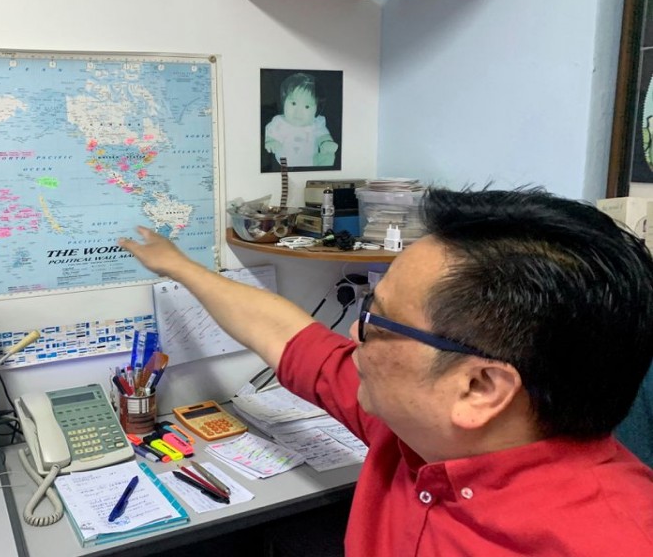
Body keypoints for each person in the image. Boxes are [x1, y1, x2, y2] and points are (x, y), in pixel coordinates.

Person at [118, 187, 653, 556]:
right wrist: (178, 266)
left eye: (378, 321)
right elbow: (285, 335)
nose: (353, 334)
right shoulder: (417, 426)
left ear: (479, 387)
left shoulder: (619, 540)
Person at [264, 72, 337, 168]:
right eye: (293, 103)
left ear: (317, 108)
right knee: (283, 175)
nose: (298, 112)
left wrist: (326, 143)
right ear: (284, 100)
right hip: (284, 161)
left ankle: (324, 169)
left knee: (328, 156)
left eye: (307, 106)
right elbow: (271, 135)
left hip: (312, 160)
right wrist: (271, 142)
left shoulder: (316, 124)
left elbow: (323, 136)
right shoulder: (279, 122)